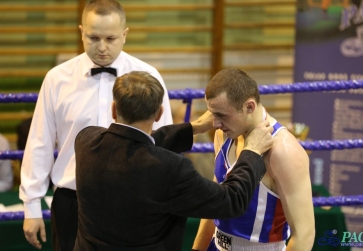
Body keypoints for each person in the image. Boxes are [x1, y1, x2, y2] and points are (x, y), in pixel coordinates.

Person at [19, 0, 173, 251]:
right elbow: (40, 143)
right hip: (72, 201)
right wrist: (31, 206)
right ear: (81, 32)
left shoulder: (149, 76)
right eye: (93, 37)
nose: (102, 47)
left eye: (111, 38)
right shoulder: (57, 79)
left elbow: (164, 143)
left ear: (125, 35)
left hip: (133, 200)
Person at [73, 71, 274, 250]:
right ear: (160, 113)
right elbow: (231, 201)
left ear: (114, 109)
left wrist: (192, 127)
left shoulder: (86, 141)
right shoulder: (170, 168)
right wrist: (252, 151)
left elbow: (132, 144)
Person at [192, 68, 315, 251]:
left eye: (222, 115)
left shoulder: (283, 151)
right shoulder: (223, 134)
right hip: (215, 245)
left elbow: (304, 235)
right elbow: (216, 203)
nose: (215, 123)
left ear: (249, 106)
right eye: (213, 114)